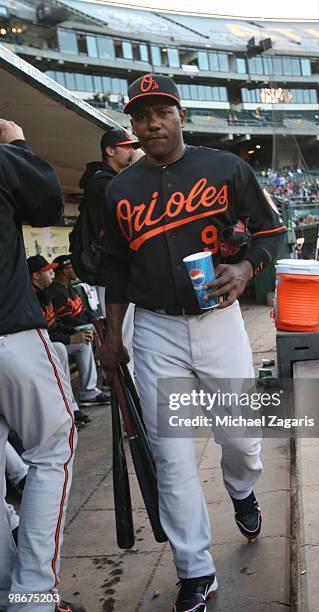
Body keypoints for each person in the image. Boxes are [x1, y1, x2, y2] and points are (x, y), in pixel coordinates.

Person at [98, 74, 285, 612]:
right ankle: (195, 570)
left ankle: (242, 489)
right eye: (140, 115)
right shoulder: (119, 190)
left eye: (161, 111)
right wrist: (113, 336)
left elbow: (271, 230)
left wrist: (247, 267)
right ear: (131, 126)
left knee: (242, 438)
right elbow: (113, 267)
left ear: (180, 115)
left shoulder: (225, 167)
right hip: (156, 329)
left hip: (219, 322)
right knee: (171, 457)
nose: (151, 122)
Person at [0, 118, 83, 612]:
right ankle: (31, 596)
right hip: (9, 331)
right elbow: (48, 203)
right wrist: (16, 145)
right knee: (53, 446)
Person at [78, 129, 143, 377]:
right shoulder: (100, 180)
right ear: (110, 150)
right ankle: (132, 400)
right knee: (124, 340)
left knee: (133, 339)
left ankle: (136, 397)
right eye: (127, 147)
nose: (132, 151)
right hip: (109, 273)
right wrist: (139, 167)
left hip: (118, 271)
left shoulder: (110, 178)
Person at [28, 254, 102, 417]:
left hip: (49, 341)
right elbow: (39, 334)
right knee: (60, 348)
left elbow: (53, 325)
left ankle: (88, 391)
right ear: (36, 276)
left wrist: (74, 333)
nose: (52, 274)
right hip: (35, 347)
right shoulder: (29, 299)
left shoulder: (44, 293)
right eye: (47, 271)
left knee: (83, 342)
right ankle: (68, 405)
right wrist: (69, 338)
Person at [47, 255, 109, 407]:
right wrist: (89, 326)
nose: (75, 270)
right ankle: (92, 388)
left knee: (96, 329)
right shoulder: (55, 291)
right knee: (87, 335)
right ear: (64, 271)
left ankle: (106, 377)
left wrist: (94, 321)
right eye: (71, 267)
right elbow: (67, 320)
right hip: (68, 332)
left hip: (73, 329)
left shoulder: (71, 289)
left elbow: (83, 312)